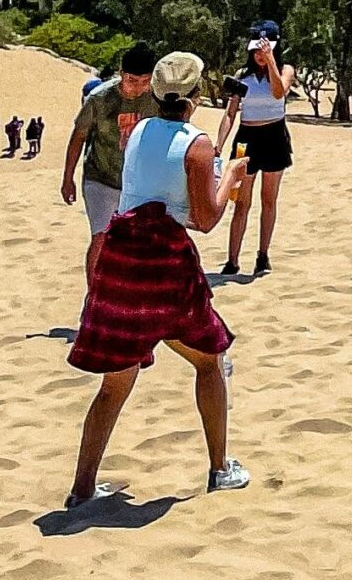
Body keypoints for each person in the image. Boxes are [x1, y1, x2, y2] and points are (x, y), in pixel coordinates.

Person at [65, 51, 251, 508]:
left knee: (114, 384)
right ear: (194, 95)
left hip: (121, 259)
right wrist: (229, 176)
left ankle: (82, 489)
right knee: (210, 361)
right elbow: (205, 220)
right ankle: (219, 468)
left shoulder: (140, 130)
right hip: (165, 264)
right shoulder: (197, 144)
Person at [60, 44, 159, 283]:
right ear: (121, 74)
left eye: (145, 81)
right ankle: (94, 294)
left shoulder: (155, 99)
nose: (138, 87)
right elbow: (78, 137)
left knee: (136, 241)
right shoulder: (99, 99)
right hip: (100, 176)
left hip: (137, 182)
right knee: (101, 236)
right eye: (132, 80)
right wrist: (67, 178)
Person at [214, 28, 295, 278]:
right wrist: (219, 144)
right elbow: (230, 113)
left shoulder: (285, 70)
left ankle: (263, 255)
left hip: (275, 136)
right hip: (247, 139)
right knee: (241, 201)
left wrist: (271, 61)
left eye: (264, 49)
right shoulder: (243, 76)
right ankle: (232, 260)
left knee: (268, 199)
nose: (259, 55)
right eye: (256, 51)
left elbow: (278, 92)